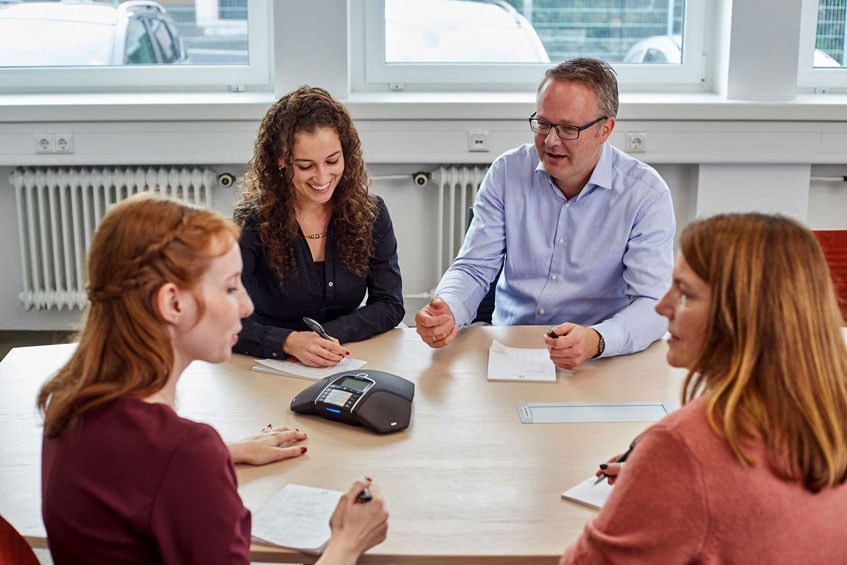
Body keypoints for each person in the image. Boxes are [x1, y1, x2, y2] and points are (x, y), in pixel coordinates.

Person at [38, 195, 389, 564]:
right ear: (173, 303)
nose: (247, 307)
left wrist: (225, 452)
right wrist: (347, 544)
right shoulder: (185, 453)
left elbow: (134, 473)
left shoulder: (71, 401)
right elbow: (165, 464)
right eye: (230, 287)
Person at [561, 213, 847, 563]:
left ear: (738, 314)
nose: (662, 306)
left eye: (685, 295)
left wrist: (655, 483)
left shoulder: (684, 446)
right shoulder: (831, 418)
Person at [415, 58, 674, 370]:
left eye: (567, 129)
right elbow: (473, 268)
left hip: (599, 357)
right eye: (543, 124)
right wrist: (448, 309)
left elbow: (652, 305)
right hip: (511, 347)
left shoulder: (645, 194)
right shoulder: (507, 172)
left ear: (605, 129)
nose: (550, 141)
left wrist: (596, 339)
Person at [233, 86, 404, 367]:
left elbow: (389, 304)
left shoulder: (371, 213)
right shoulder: (251, 224)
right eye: (305, 166)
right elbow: (222, 316)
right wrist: (288, 342)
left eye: (332, 161)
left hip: (345, 357)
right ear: (281, 161)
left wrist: (327, 338)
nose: (323, 177)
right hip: (266, 366)